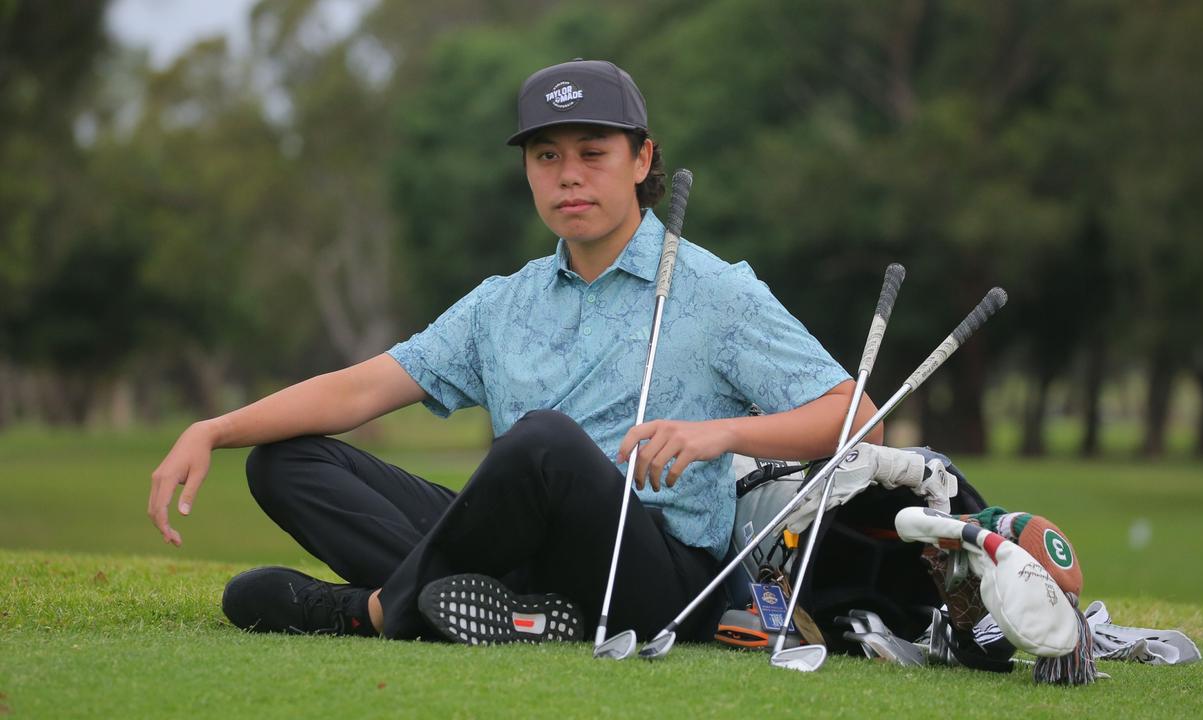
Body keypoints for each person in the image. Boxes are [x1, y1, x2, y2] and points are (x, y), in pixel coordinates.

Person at [147, 58, 882, 645]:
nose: (568, 174)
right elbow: (360, 391)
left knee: (544, 443)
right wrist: (215, 428)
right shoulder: (504, 303)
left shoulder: (713, 290)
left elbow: (861, 419)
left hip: (657, 576)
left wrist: (722, 433)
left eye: (593, 153)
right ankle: (495, 608)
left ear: (642, 159)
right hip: (516, 554)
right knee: (285, 459)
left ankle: (372, 612)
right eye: (546, 155)